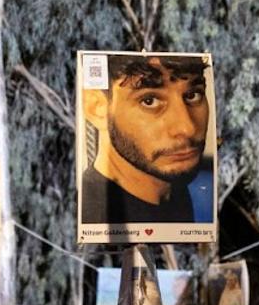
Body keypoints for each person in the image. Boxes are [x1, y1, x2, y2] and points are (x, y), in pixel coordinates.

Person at [79, 54, 212, 228]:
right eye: (149, 101)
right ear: (97, 108)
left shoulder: (172, 187)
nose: (187, 128)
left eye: (193, 94)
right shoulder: (96, 219)